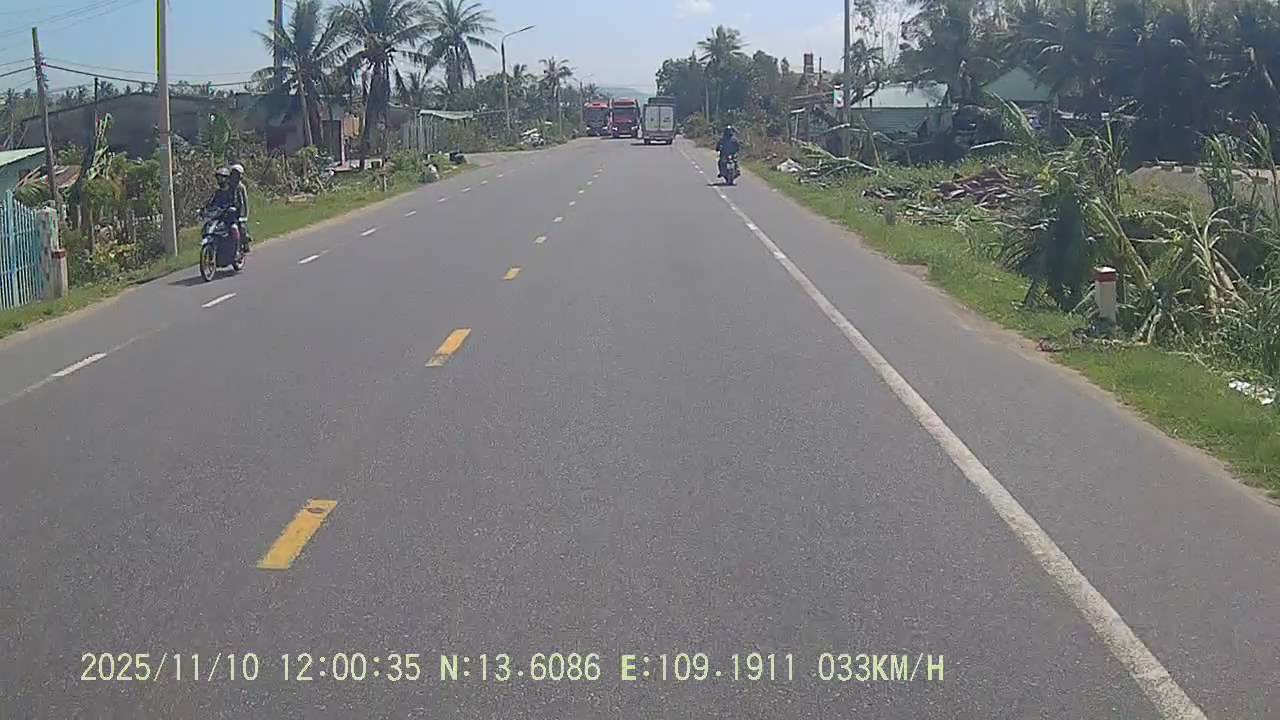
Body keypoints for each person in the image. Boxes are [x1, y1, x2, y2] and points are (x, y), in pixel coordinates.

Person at [228, 163, 252, 253]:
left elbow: (244, 202)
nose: (235, 176)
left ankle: (245, 242)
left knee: (242, 227)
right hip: (229, 210)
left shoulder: (241, 187)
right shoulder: (228, 186)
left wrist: (244, 215)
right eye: (233, 174)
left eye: (237, 174)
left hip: (239, 212)